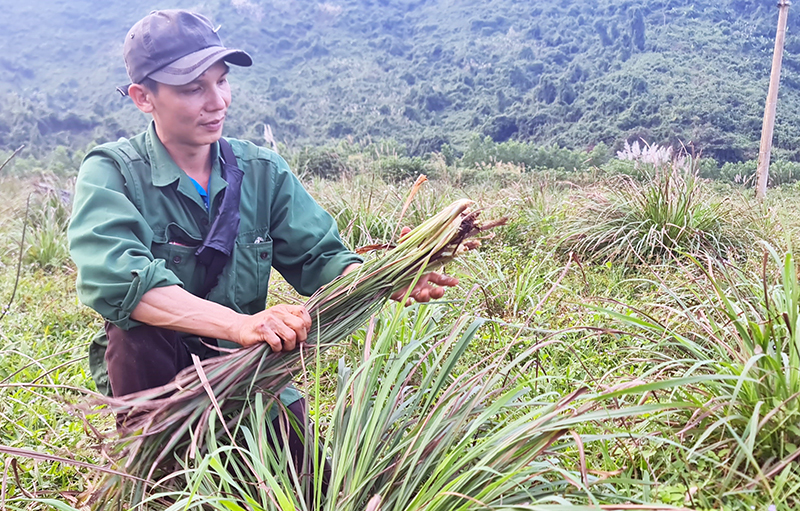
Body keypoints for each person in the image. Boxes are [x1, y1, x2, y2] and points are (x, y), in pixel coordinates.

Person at [67, 9, 457, 462]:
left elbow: (322, 258)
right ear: (143, 97)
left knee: (309, 486)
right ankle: (156, 467)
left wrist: (389, 276)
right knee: (134, 334)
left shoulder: (261, 171)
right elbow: (120, 282)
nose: (217, 102)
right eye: (193, 88)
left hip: (249, 366)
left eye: (221, 81)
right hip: (161, 377)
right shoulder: (112, 171)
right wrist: (241, 324)